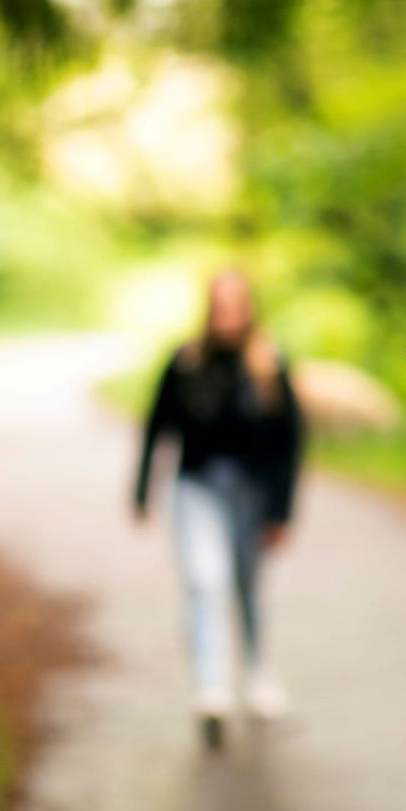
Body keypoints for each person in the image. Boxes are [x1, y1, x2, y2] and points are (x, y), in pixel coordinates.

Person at [134, 271, 304, 748]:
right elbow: (157, 425)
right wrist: (144, 489)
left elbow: (290, 442)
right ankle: (211, 690)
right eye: (219, 304)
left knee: (247, 585)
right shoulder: (186, 362)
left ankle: (257, 674)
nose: (227, 313)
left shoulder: (269, 363)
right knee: (204, 580)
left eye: (236, 304)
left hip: (252, 495)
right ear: (208, 309)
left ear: (249, 308)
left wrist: (281, 512)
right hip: (197, 489)